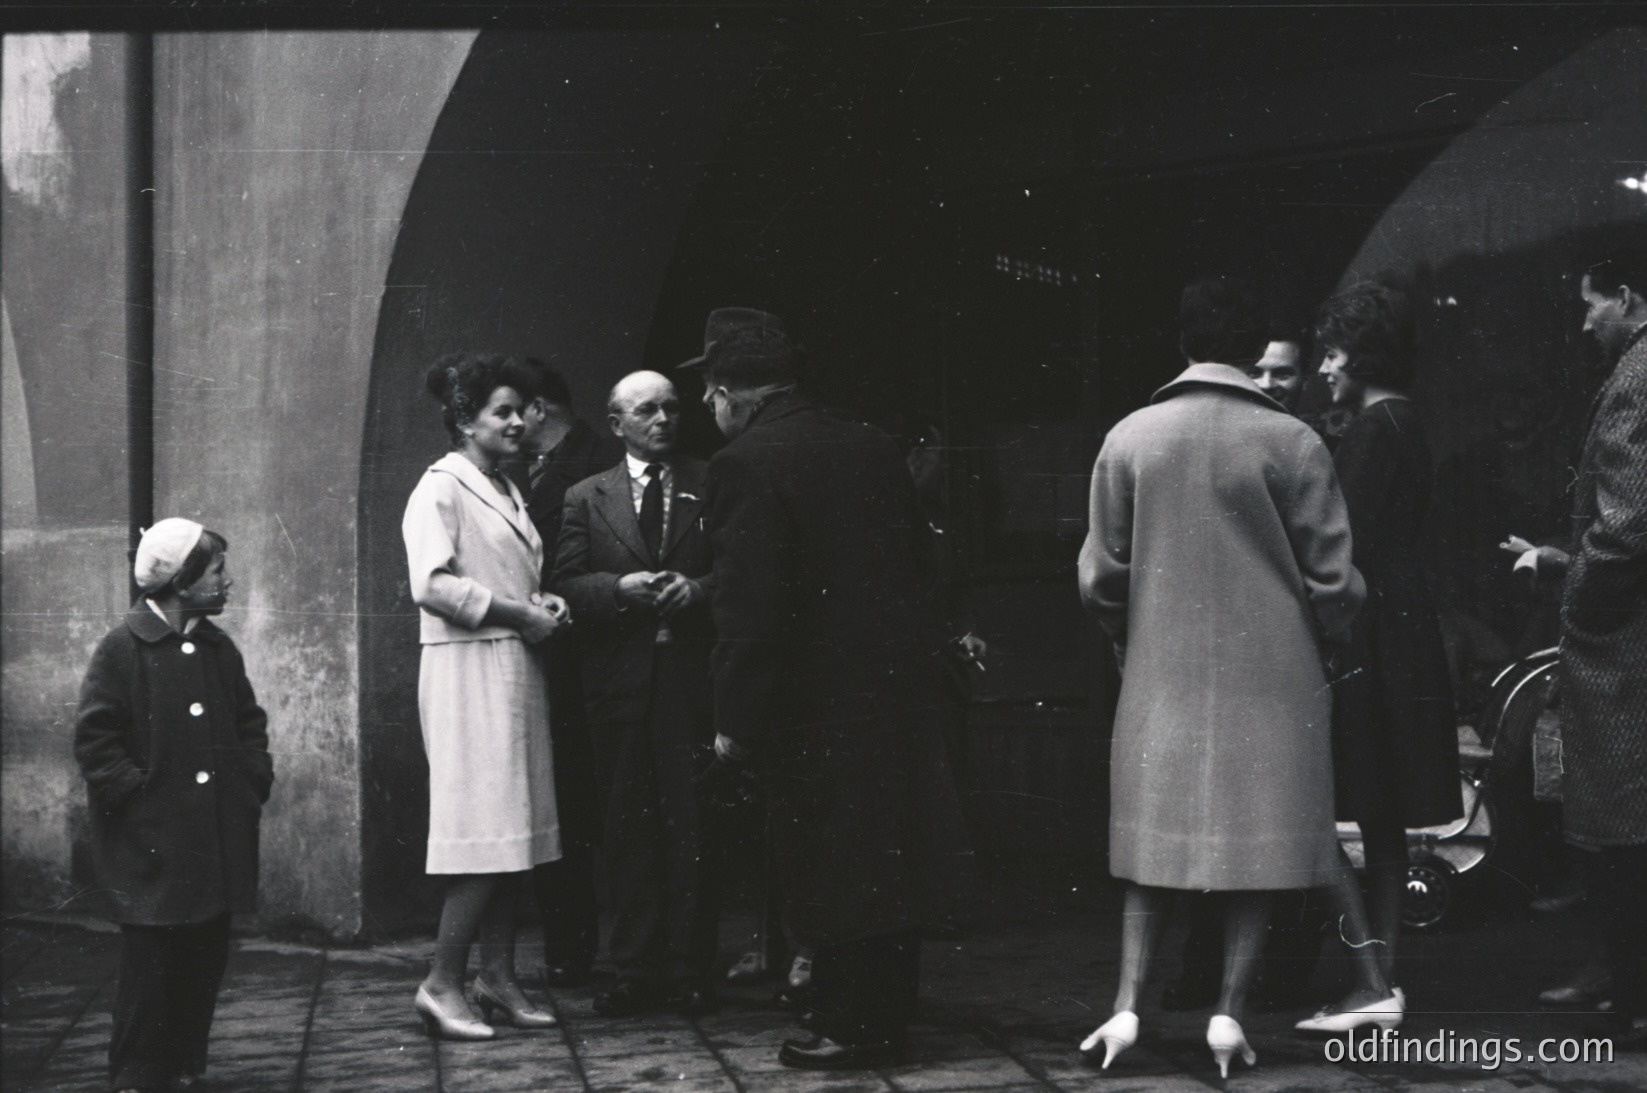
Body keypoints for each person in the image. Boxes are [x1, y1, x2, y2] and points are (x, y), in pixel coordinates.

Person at [1077, 275, 1372, 1077]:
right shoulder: (1294, 442)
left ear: (1182, 342)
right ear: (1253, 352)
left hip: (1159, 671)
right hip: (1274, 676)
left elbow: (1101, 576)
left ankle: (1127, 1006)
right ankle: (1228, 1016)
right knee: (1260, 846)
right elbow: (1334, 580)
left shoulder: (1130, 437)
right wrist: (1323, 633)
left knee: (1151, 845)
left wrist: (1125, 635)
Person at [690, 308, 973, 1071]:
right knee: (887, 853)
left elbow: (747, 612)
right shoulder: (872, 444)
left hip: (808, 704)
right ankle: (881, 1010)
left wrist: (732, 724)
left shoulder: (744, 463)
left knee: (827, 861)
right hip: (891, 693)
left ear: (726, 394)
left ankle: (849, 1023)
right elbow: (921, 565)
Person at [1298, 281, 1461, 1029]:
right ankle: (1382, 975)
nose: (1324, 367)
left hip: (1368, 631)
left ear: (1360, 352)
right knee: (1387, 816)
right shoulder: (1405, 421)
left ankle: (1370, 980)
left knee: (1358, 805)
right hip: (1404, 627)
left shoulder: (1369, 430)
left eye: (1333, 352)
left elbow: (1337, 550)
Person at [1161, 324, 1330, 1014]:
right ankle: (1210, 971)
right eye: (1259, 368)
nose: (1269, 382)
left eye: (1284, 371)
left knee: (1276, 820)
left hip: (1280, 665)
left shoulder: (1304, 447)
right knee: (1222, 818)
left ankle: (1280, 971)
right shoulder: (1250, 441)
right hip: (1223, 664)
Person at [74, 519, 273, 1093]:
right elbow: (96, 739)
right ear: (183, 583)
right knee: (151, 958)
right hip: (149, 839)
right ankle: (137, 1072)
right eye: (217, 572)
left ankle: (184, 1063)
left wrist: (250, 780)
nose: (228, 582)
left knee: (204, 950)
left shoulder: (217, 648)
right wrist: (135, 798)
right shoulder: (122, 648)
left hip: (213, 834)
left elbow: (247, 722)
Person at [403, 352, 568, 1039]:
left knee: (514, 829)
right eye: (501, 410)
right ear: (465, 418)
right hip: (467, 670)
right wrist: (517, 613)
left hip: (510, 665)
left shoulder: (503, 484)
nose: (516, 420)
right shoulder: (440, 487)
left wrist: (540, 603)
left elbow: (501, 570)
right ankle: (441, 982)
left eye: (520, 409)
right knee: (481, 829)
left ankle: (496, 978)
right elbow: (432, 585)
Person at [551, 370, 720, 1018]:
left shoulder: (710, 481)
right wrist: (615, 591)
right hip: (618, 685)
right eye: (646, 410)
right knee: (626, 832)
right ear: (616, 422)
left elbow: (737, 562)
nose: (663, 419)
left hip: (690, 684)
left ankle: (690, 970)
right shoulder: (585, 497)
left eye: (672, 408)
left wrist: (698, 589)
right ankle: (633, 970)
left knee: (693, 829)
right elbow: (564, 579)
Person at [1510, 249, 1647, 1047]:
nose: (1583, 319)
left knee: (1621, 824)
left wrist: (1579, 595)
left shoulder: (1634, 377)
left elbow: (1627, 521)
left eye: (1589, 303)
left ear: (1626, 296)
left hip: (1622, 643)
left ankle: (1630, 996)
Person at [512, 357, 623, 989]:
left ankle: (608, 946)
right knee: (560, 807)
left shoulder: (603, 464)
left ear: (538, 409)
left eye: (509, 409)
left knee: (595, 806)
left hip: (595, 661)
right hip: (545, 664)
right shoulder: (512, 472)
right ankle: (569, 948)